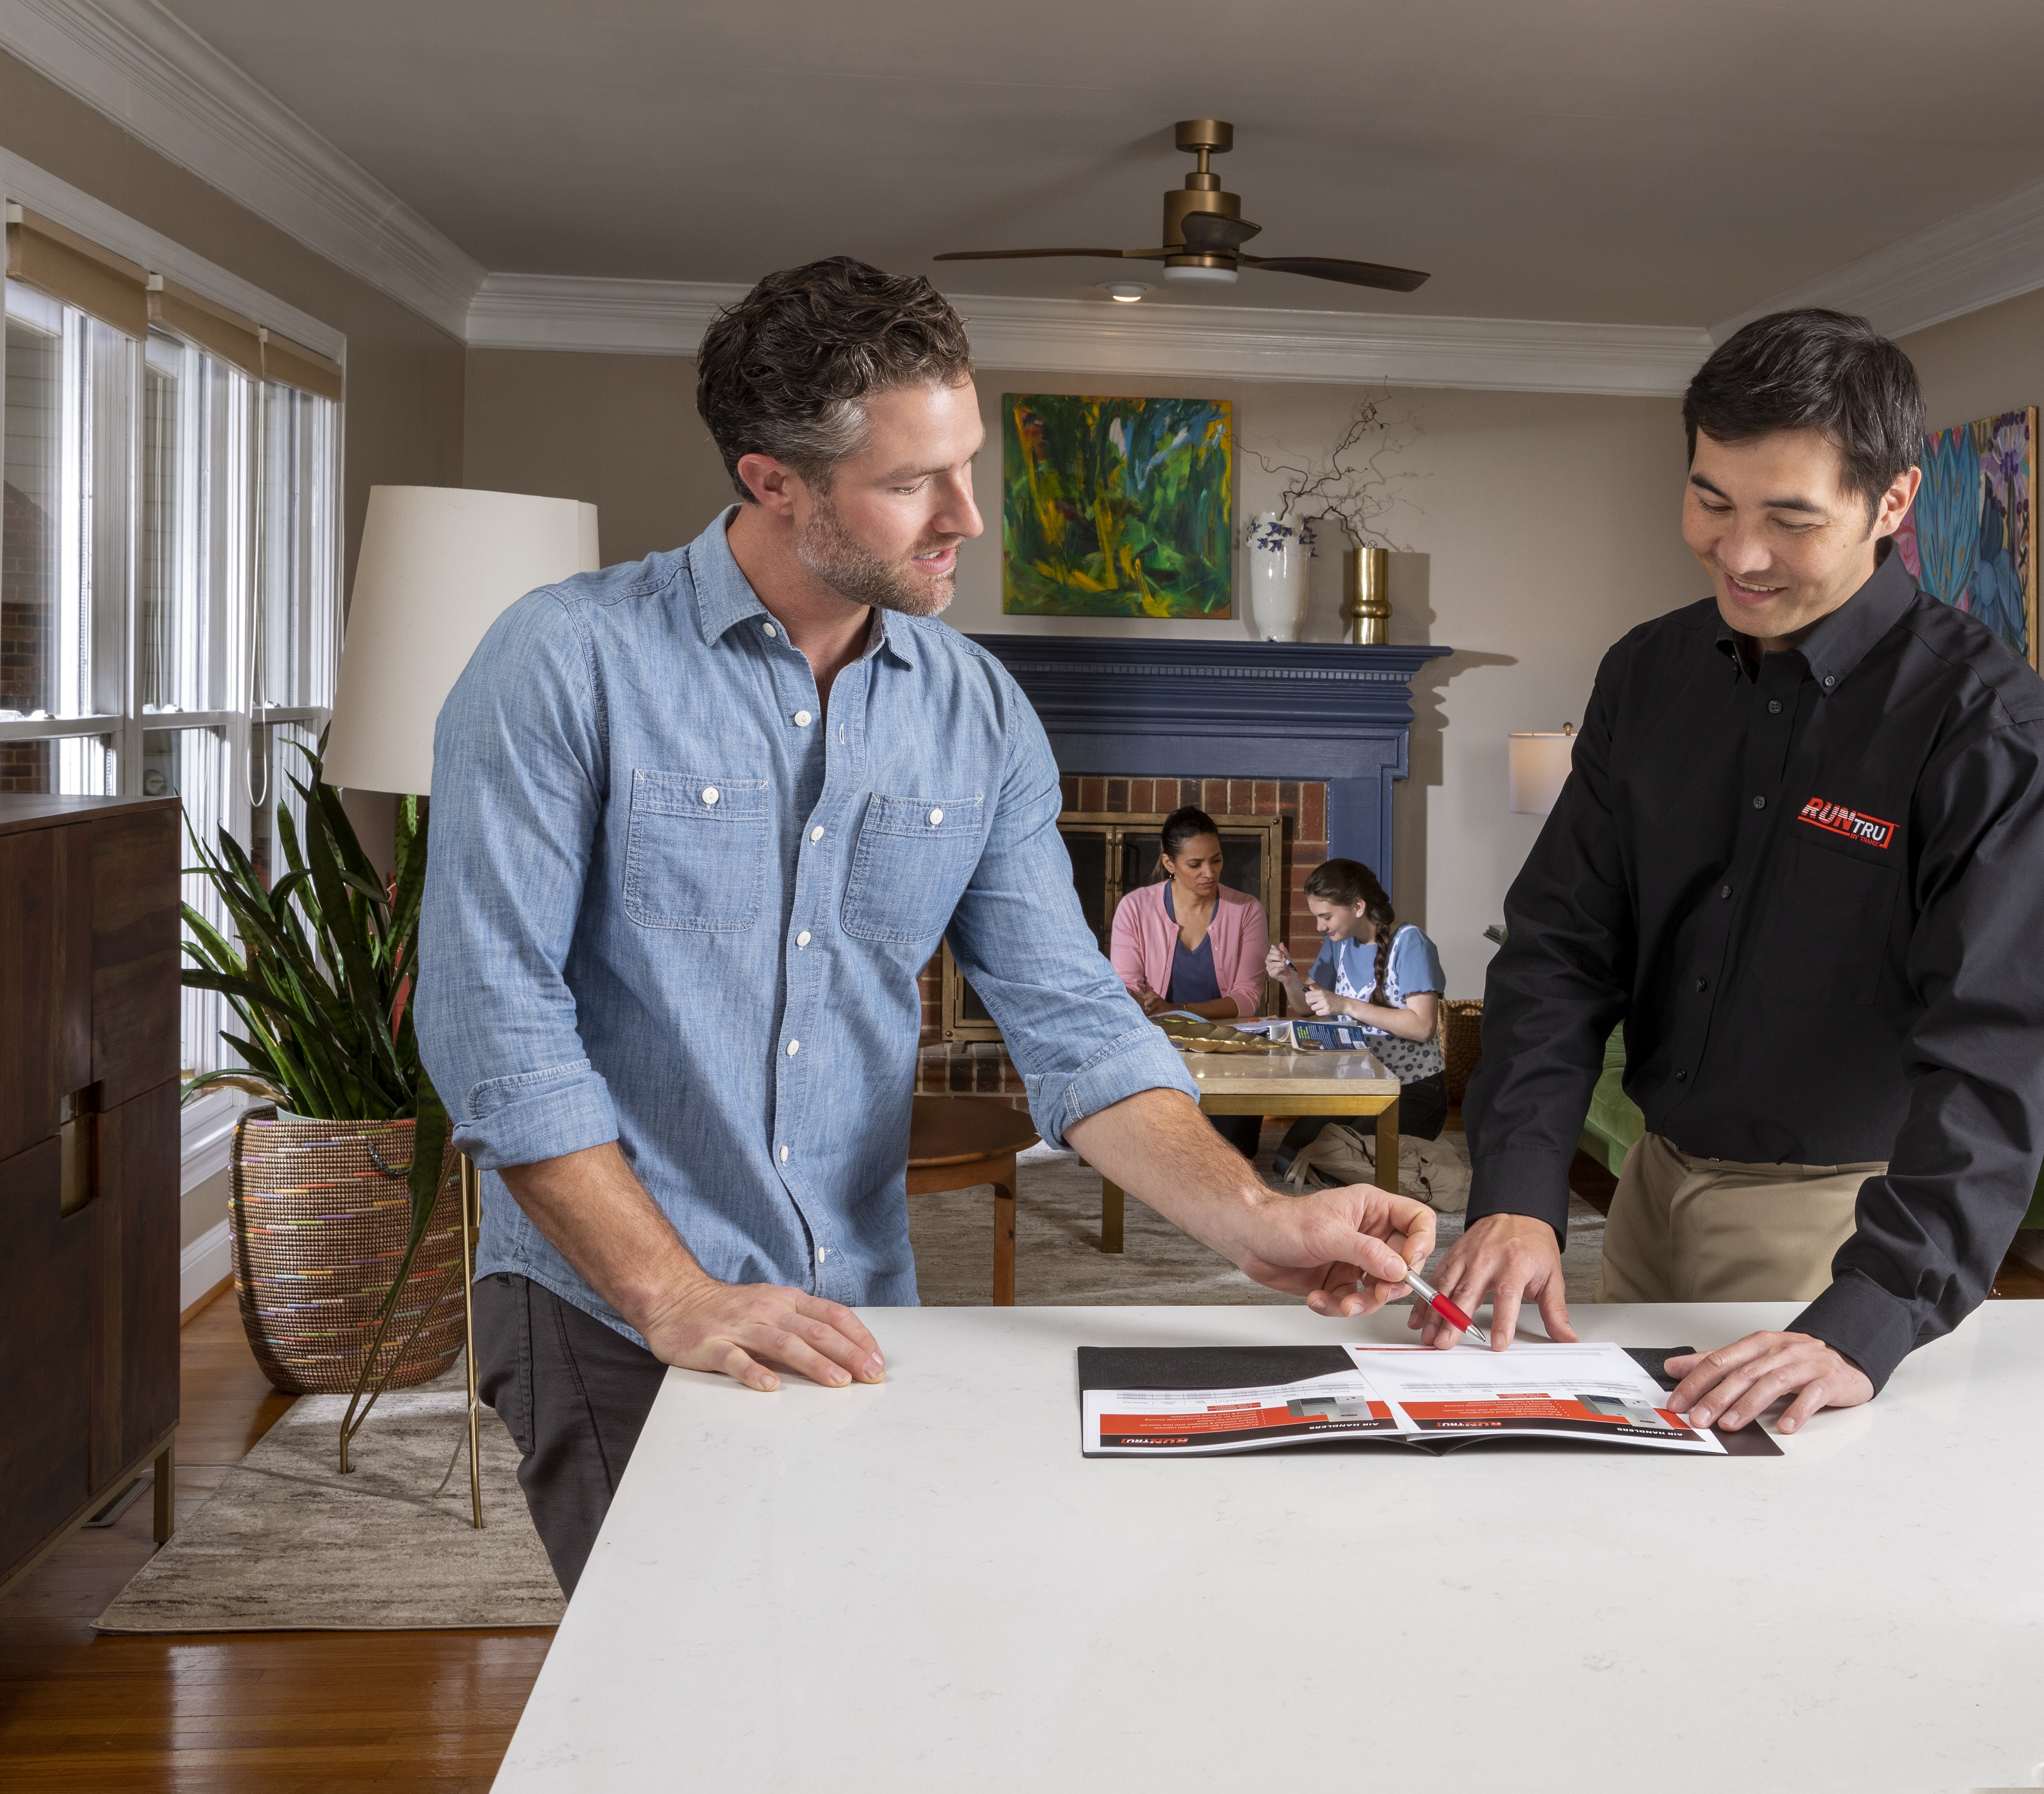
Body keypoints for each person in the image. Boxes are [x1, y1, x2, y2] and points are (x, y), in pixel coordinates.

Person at [418, 258, 1434, 1592]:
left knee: (849, 1641)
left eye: (969, 466)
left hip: (856, 1297)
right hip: (612, 1299)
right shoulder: (565, 661)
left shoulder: (979, 710)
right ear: (773, 480)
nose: (969, 517)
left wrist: (1260, 1219)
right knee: (687, 1663)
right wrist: (672, 1293)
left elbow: (1074, 1023)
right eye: (913, 484)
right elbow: (493, 1025)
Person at [1438, 307, 2044, 1440]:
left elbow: (1993, 1053)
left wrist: (1868, 1317)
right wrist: (1522, 1193)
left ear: (1892, 503)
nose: (1740, 554)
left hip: (1841, 1229)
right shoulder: (1648, 674)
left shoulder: (1990, 728)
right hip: (1649, 1192)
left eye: (1790, 518)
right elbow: (1561, 948)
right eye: (1712, 501)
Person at [1266, 859, 1449, 1166]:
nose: (1320, 927)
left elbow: (1423, 1027)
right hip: (1357, 1085)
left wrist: (1347, 1005)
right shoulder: (1338, 943)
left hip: (1412, 1090)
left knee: (1337, 1163)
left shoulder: (1411, 943)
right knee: (1288, 1160)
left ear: (1358, 907)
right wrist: (1289, 979)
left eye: (1326, 917)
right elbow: (1306, 1008)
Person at [1109, 804, 1269, 1152]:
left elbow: (1247, 999)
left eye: (1216, 860)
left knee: (1232, 1151)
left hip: (1229, 1051)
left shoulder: (1247, 910)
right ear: (1169, 863)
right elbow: (1127, 986)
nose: (1209, 873)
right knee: (1161, 1149)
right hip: (1160, 1049)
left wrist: (1176, 1009)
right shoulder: (1134, 908)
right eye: (1195, 865)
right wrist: (1136, 1002)